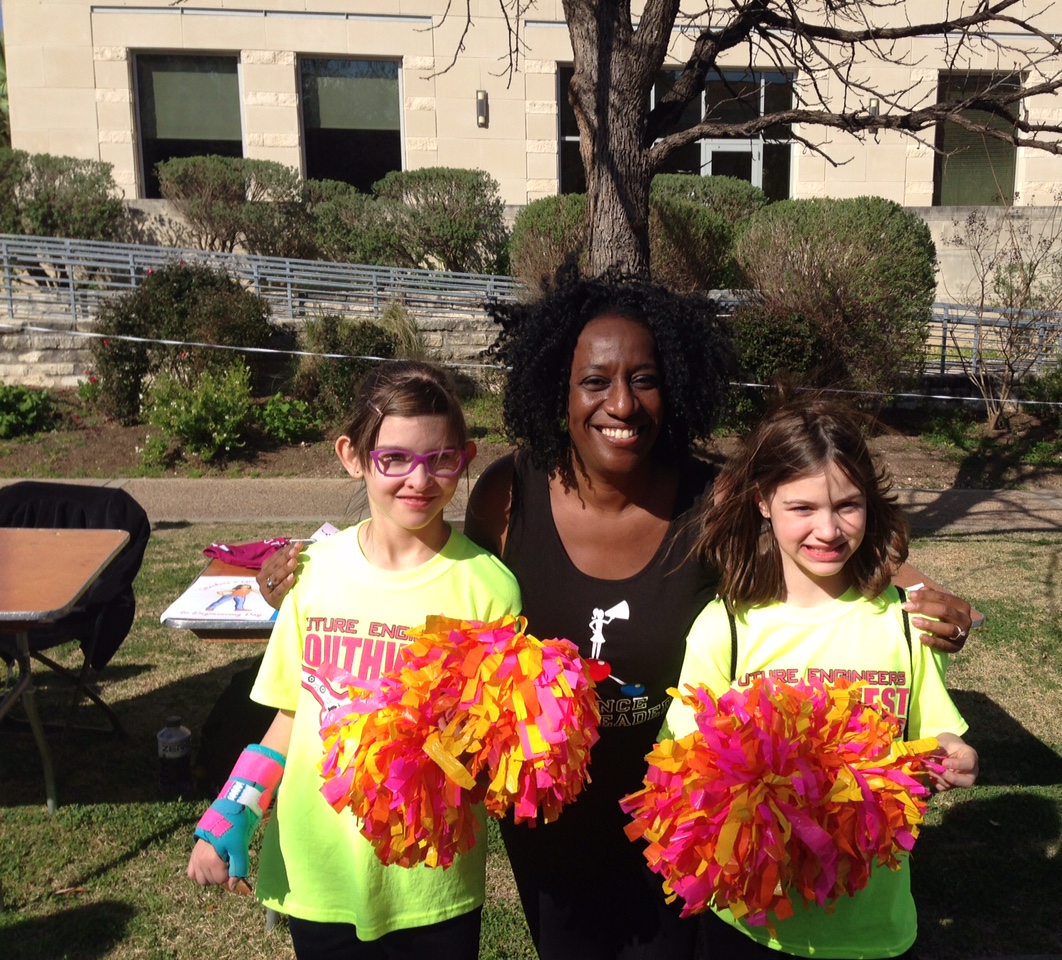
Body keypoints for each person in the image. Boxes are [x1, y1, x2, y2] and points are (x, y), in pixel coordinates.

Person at [256, 266, 978, 960]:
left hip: (681, 808)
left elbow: (828, 539)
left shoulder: (716, 497)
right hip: (553, 819)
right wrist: (295, 571)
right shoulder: (507, 496)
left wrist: (924, 593)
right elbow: (434, 580)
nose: (622, 404)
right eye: (595, 381)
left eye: (644, 380)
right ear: (557, 390)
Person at [187, 360, 520, 960]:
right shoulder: (310, 576)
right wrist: (231, 812)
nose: (419, 480)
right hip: (321, 871)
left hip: (430, 877)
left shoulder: (490, 589)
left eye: (441, 459)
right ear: (353, 455)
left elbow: (493, 743)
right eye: (394, 458)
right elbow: (292, 716)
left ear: (465, 458)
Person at [664, 391, 978, 960]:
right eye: (802, 508)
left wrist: (954, 753)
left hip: (872, 928)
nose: (828, 530)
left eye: (847, 506)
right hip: (754, 929)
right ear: (764, 503)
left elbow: (935, 732)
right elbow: (686, 766)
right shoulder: (725, 628)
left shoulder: (906, 622)